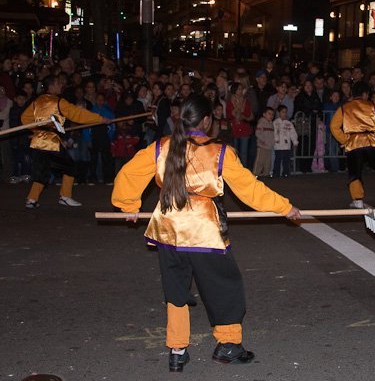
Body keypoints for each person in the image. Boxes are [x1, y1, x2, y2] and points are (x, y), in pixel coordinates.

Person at [111, 95, 300, 372]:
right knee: (225, 286)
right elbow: (250, 190)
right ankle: (228, 344)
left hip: (168, 229)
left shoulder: (161, 147)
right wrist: (285, 207)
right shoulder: (219, 152)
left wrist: (128, 204)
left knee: (175, 291)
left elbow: (128, 175)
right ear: (208, 121)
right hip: (203, 230)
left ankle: (177, 350)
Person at [21, 75, 109, 208]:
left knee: (42, 170)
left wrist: (36, 130)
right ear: (51, 86)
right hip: (51, 143)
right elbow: (78, 114)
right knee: (70, 167)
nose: (60, 85)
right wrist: (99, 119)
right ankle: (65, 196)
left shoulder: (37, 101)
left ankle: (31, 199)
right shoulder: (58, 102)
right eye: (57, 83)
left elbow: (24, 118)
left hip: (38, 141)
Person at [273, 105, 298, 177]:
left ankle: (286, 173)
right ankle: (276, 173)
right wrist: (276, 139)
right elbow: (275, 132)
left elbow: (292, 132)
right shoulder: (275, 122)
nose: (284, 114)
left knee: (286, 160)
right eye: (283, 112)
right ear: (279, 113)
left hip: (287, 145)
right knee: (277, 160)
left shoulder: (288, 123)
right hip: (278, 145)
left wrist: (295, 141)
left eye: (285, 112)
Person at [253, 106, 275, 177]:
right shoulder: (261, 123)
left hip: (269, 146)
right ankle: (256, 173)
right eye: (269, 114)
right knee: (260, 161)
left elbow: (272, 135)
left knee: (267, 161)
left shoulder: (271, 124)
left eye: (272, 114)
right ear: (264, 114)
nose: (271, 116)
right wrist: (263, 140)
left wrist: (273, 142)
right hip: (262, 146)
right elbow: (257, 133)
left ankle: (266, 173)